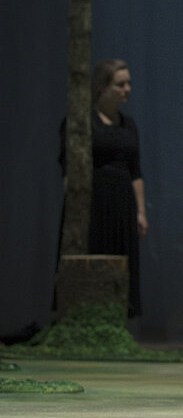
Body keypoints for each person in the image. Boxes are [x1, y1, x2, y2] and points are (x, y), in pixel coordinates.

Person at [59, 59, 148, 317]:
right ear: (102, 87)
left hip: (122, 202)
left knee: (121, 261)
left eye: (128, 83)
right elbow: (69, 166)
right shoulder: (82, 121)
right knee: (92, 255)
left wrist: (140, 212)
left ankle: (117, 318)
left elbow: (135, 171)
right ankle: (84, 317)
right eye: (120, 84)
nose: (127, 89)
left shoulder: (128, 125)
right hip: (93, 201)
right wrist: (74, 205)